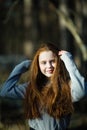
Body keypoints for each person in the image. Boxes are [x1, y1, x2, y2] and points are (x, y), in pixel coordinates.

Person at [0, 42, 85, 130]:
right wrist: (21, 67)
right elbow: (5, 91)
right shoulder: (32, 87)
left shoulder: (67, 86)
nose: (49, 66)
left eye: (52, 61)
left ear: (59, 62)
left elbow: (81, 91)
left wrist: (69, 61)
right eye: (43, 63)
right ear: (38, 65)